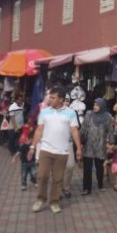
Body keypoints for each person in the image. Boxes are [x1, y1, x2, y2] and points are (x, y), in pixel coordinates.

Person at [28, 86, 82, 214]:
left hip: (62, 152)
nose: (49, 99)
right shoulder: (44, 112)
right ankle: (40, 199)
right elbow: (39, 130)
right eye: (50, 97)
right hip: (46, 150)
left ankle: (54, 202)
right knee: (42, 176)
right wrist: (32, 147)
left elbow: (74, 131)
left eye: (53, 97)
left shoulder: (70, 113)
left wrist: (79, 147)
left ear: (61, 99)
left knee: (58, 179)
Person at [80, 97, 114, 195]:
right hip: (89, 145)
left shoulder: (107, 117)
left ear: (102, 106)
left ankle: (100, 184)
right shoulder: (89, 115)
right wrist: (80, 142)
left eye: (97, 105)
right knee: (87, 168)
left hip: (100, 145)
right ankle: (86, 188)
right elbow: (83, 129)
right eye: (94, 105)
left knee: (100, 167)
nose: (95, 107)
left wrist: (110, 143)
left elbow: (110, 131)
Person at [13, 118, 37, 190]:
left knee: (34, 173)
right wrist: (14, 157)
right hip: (24, 162)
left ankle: (34, 180)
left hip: (32, 162)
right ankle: (24, 184)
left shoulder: (34, 146)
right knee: (24, 174)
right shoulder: (23, 144)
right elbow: (19, 151)